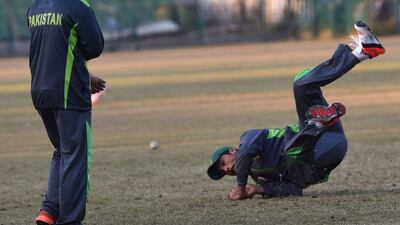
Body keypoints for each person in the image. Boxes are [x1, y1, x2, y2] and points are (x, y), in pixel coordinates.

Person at [207, 21, 385, 200]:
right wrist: (258, 190)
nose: (227, 169)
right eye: (223, 171)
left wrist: (242, 188)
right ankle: (316, 124)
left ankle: (364, 51)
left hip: (327, 135)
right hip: (321, 158)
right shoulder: (260, 177)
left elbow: (246, 154)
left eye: (223, 163)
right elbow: (294, 189)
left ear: (232, 150)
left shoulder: (248, 139)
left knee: (301, 83)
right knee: (292, 150)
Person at [27, 0, 105, 224]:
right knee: (75, 157)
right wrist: (80, 75)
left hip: (41, 91)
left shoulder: (36, 6)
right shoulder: (78, 6)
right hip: (68, 93)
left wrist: (83, 75)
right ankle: (70, 221)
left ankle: (49, 211)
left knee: (62, 151)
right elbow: (95, 46)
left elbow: (51, 48)